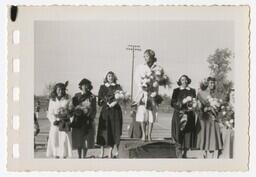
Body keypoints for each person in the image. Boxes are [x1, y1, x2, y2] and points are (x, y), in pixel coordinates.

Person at [134, 49, 159, 141]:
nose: (145, 58)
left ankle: (149, 135)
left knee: (151, 114)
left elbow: (160, 79)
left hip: (152, 93)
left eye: (147, 56)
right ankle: (143, 135)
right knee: (142, 114)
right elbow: (137, 78)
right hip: (143, 93)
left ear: (152, 56)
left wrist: (155, 83)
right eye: (144, 56)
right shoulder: (140, 67)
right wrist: (142, 85)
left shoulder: (157, 67)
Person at [96, 71, 123, 158]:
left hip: (115, 111)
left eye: (111, 76)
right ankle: (102, 152)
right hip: (105, 111)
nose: (110, 77)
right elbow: (99, 99)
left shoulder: (117, 86)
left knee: (113, 131)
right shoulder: (102, 87)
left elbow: (121, 98)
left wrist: (114, 103)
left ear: (114, 77)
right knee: (103, 131)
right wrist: (103, 101)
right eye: (108, 76)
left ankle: (110, 152)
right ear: (106, 78)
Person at [196, 77, 223, 158]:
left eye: (213, 82)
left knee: (213, 137)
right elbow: (198, 107)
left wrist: (217, 107)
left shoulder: (217, 93)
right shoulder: (201, 93)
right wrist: (206, 108)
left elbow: (220, 106)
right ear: (207, 83)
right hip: (204, 117)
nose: (212, 84)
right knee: (205, 136)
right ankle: (204, 154)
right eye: (211, 82)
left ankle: (212, 156)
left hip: (214, 117)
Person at [171, 75, 197, 158]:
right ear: (180, 81)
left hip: (189, 116)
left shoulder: (192, 90)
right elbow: (172, 103)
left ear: (188, 81)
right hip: (178, 115)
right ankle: (178, 154)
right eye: (182, 80)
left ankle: (185, 153)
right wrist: (182, 102)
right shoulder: (176, 90)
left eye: (186, 80)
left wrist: (194, 104)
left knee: (187, 135)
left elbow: (194, 102)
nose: (184, 81)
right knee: (178, 134)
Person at [70, 78, 96, 158]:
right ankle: (79, 156)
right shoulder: (76, 95)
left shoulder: (92, 96)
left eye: (87, 85)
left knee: (86, 139)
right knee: (78, 139)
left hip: (87, 120)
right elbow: (72, 107)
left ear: (89, 86)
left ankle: (84, 156)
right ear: (81, 86)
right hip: (78, 120)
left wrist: (90, 117)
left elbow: (94, 109)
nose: (85, 87)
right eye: (83, 85)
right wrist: (76, 111)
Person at [46, 81, 72, 158]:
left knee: (64, 140)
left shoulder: (68, 98)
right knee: (55, 140)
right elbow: (50, 113)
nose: (60, 91)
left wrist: (67, 114)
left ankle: (64, 156)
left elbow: (71, 110)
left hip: (65, 123)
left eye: (61, 90)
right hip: (55, 124)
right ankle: (56, 156)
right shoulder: (52, 100)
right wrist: (54, 120)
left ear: (64, 90)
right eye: (58, 90)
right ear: (55, 90)